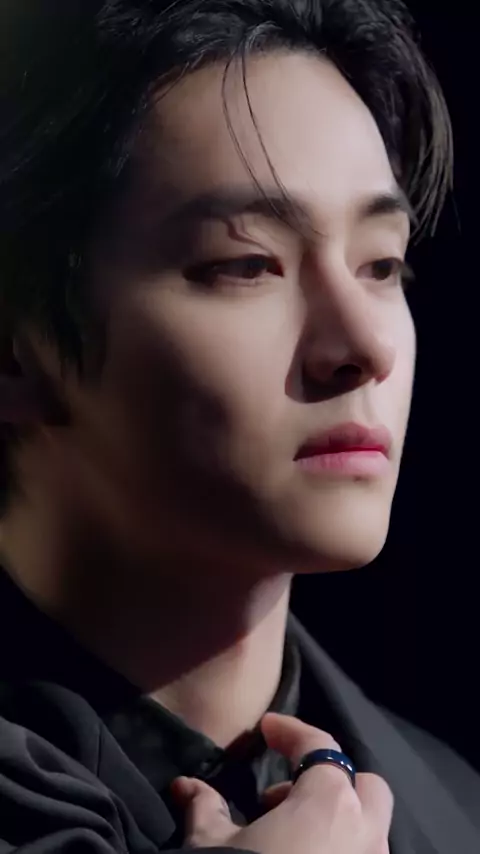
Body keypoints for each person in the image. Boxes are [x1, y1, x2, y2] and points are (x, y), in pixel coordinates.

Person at [0, 0, 478, 851]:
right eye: (247, 263)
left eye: (381, 264)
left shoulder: (454, 808)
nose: (364, 347)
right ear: (14, 347)